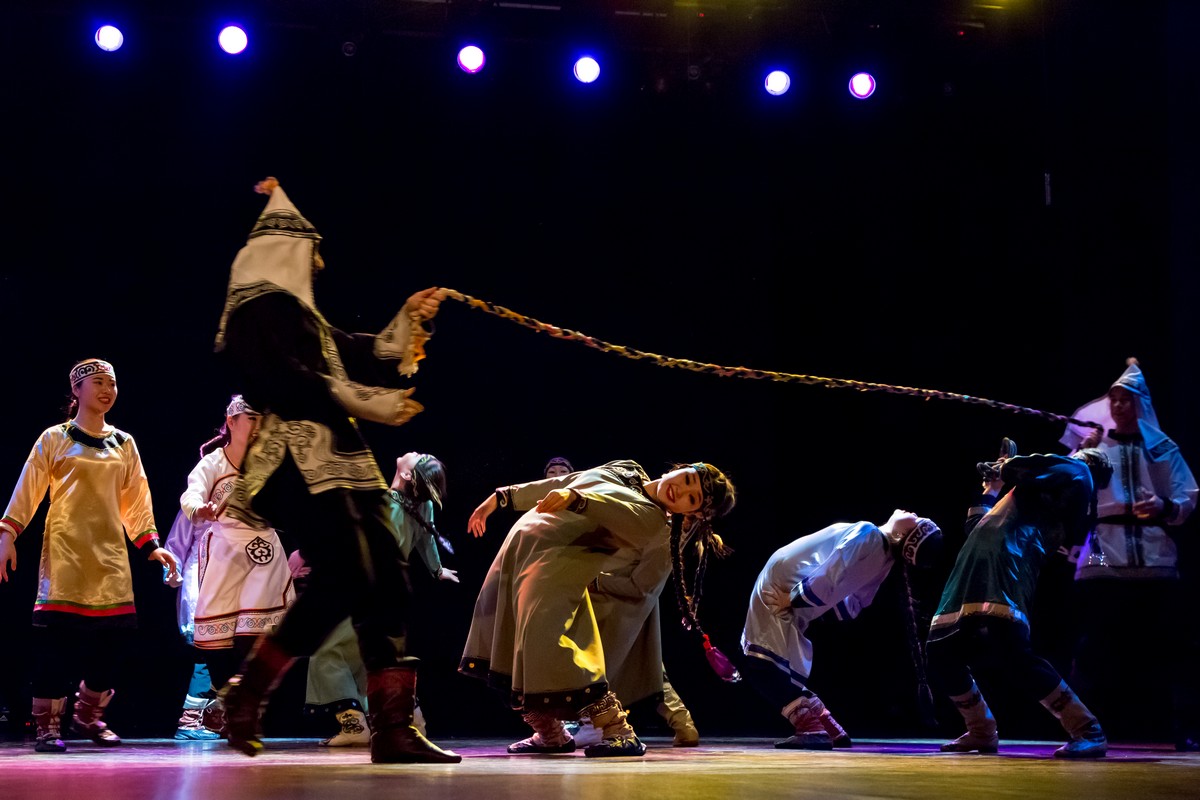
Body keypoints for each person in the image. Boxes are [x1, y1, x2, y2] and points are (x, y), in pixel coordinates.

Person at [212, 176, 458, 763]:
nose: (318, 263)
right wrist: (365, 401)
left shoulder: (306, 318)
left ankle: (391, 728)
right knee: (352, 575)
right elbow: (285, 379)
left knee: (385, 579)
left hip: (345, 463)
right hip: (295, 461)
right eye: (310, 251)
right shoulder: (255, 312)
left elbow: (359, 352)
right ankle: (253, 691)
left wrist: (408, 318)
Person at [460, 460, 735, 758]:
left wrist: (577, 499)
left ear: (690, 513)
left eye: (692, 498)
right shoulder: (627, 468)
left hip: (555, 567)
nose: (680, 490)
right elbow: (565, 482)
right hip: (519, 555)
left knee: (551, 649)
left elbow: (613, 510)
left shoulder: (652, 520)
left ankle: (619, 731)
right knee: (503, 648)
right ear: (679, 468)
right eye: (688, 479)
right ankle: (550, 733)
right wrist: (504, 497)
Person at [0, 358, 179, 752]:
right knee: (58, 642)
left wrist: (152, 546)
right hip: (67, 553)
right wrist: (7, 533)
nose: (106, 390)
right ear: (76, 390)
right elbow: (28, 488)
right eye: (97, 382)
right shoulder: (55, 438)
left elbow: (136, 500)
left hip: (110, 556)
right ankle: (48, 726)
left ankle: (88, 714)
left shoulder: (124, 443)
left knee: (113, 641)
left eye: (111, 384)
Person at [927, 447, 1113, 759]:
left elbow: (1030, 465)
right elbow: (976, 526)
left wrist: (1005, 466)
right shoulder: (1035, 490)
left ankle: (1087, 729)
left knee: (1013, 652)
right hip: (976, 565)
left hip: (1007, 561)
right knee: (941, 651)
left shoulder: (1079, 472)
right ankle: (981, 731)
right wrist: (992, 488)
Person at [1060, 358, 1199, 749]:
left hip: (1155, 557)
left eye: (1127, 399)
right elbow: (1068, 489)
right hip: (1102, 553)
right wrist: (1082, 456)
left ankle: (1182, 727)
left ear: (1141, 404)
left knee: (1169, 646)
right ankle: (1083, 727)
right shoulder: (1094, 447)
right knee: (1094, 644)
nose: (1119, 406)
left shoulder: (1163, 448)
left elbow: (1187, 494)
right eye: (1115, 399)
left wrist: (1164, 506)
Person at [740, 509, 943, 749]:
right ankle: (828, 725)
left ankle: (810, 727)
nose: (913, 513)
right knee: (775, 668)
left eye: (916, 520)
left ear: (902, 535)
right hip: (792, 593)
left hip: (780, 590)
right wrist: (813, 605)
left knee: (760, 666)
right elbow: (854, 603)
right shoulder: (884, 561)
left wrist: (793, 598)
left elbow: (830, 573)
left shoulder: (868, 533)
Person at [300, 451, 458, 747]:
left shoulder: (381, 503)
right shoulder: (422, 505)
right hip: (387, 595)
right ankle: (411, 718)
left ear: (408, 475)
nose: (415, 452)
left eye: (419, 456)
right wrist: (437, 570)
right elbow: (427, 538)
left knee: (326, 652)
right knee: (370, 656)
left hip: (362, 590)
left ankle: (353, 724)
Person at [170, 395, 296, 738]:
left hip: (263, 551)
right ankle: (230, 706)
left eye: (261, 420)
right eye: (250, 418)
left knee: (250, 635)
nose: (257, 427)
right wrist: (199, 509)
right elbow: (191, 493)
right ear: (231, 422)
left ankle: (245, 708)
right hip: (224, 550)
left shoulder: (269, 461)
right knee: (216, 638)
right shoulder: (213, 463)